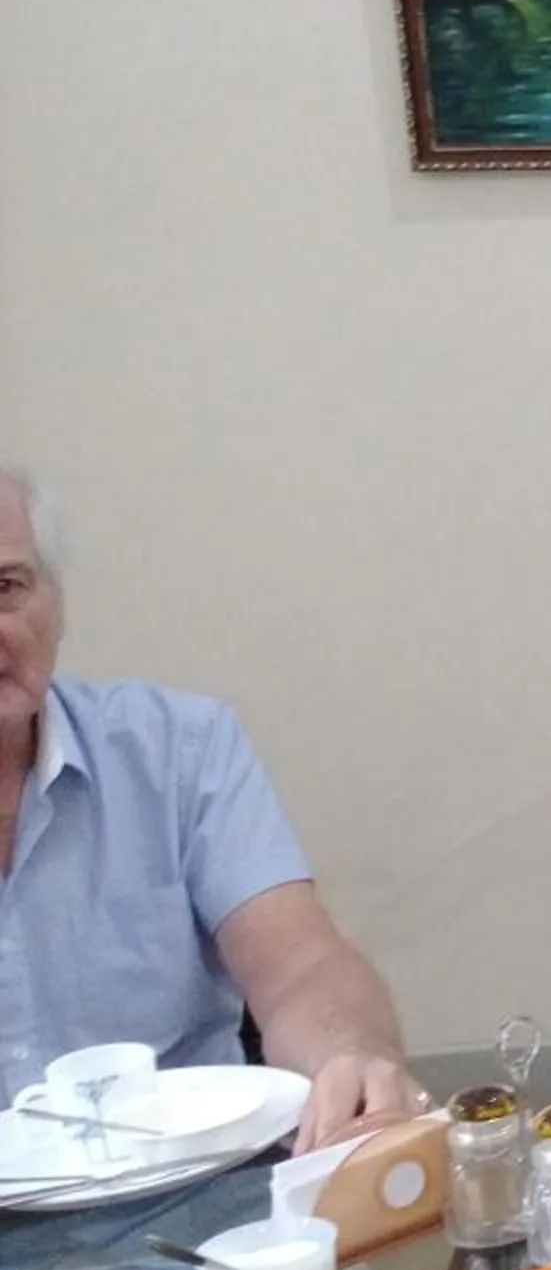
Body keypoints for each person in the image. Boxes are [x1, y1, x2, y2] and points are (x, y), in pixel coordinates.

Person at [0, 466, 421, 1152]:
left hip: (198, 1218)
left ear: (57, 603)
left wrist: (350, 1062)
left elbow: (300, 969)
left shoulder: (179, 752)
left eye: (5, 588)